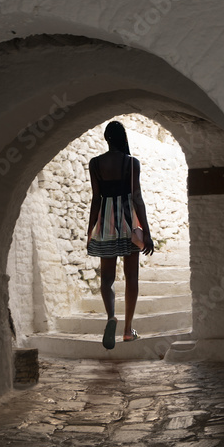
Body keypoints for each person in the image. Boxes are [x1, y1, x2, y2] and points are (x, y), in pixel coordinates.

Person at [86, 121, 154, 348]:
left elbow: (96, 198)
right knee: (131, 277)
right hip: (128, 221)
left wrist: (90, 230)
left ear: (106, 139)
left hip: (106, 223)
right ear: (123, 138)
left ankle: (110, 317)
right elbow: (137, 197)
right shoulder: (131, 163)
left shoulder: (95, 164)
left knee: (106, 279)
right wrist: (147, 231)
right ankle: (127, 330)